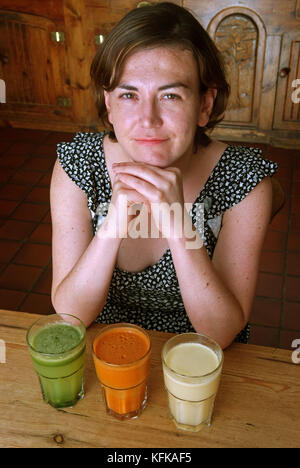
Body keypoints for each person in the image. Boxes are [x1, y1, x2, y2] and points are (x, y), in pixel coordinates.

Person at [50, 2, 277, 349]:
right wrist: (113, 223)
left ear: (204, 105)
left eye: (170, 95)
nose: (148, 119)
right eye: (129, 94)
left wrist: (177, 223)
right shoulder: (79, 165)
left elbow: (220, 330)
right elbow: (70, 315)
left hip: (198, 356)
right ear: (109, 104)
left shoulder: (243, 180)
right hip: (107, 351)